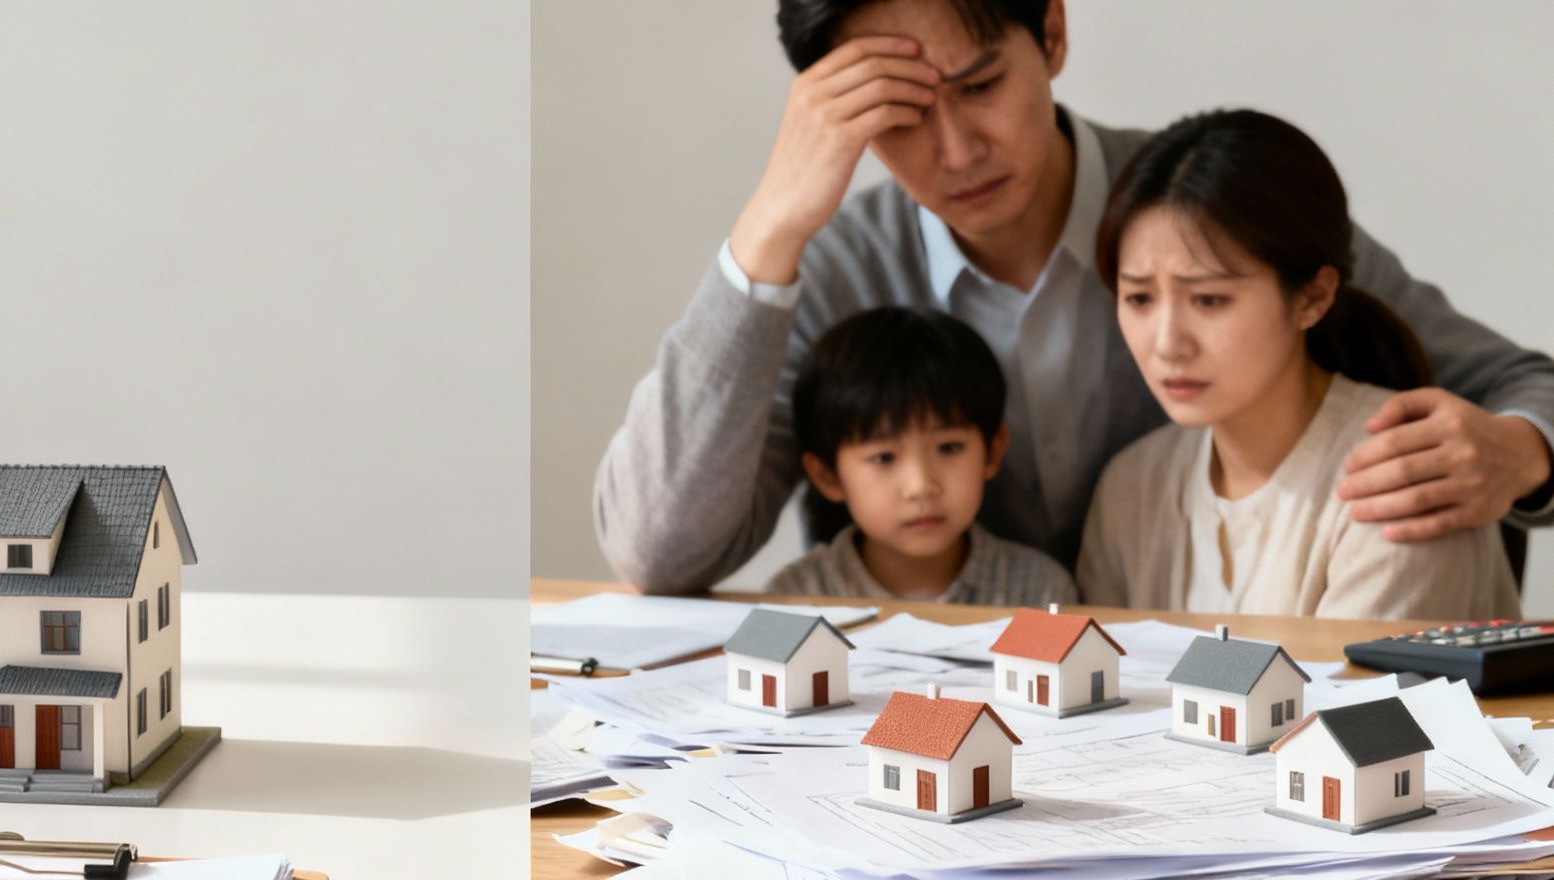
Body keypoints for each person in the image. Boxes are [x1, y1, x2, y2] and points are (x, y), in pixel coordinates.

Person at [593, 0, 1554, 595]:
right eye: (901, 114)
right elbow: (657, 555)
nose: (957, 151)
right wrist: (767, 233)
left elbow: (1520, 384)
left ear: (1052, 33)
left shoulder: (1204, 213)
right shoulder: (830, 267)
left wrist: (1520, 450)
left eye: (980, 86)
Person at [1076, 111, 1518, 619]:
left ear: (1312, 297)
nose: (1167, 344)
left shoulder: (1405, 478)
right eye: (1139, 298)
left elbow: (1355, 677)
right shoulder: (1130, 489)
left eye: (1210, 300)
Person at [768, 306, 1077, 603]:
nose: (921, 486)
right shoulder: (794, 599)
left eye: (949, 448)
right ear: (828, 476)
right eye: (884, 457)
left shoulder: (1040, 591)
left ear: (992, 452)